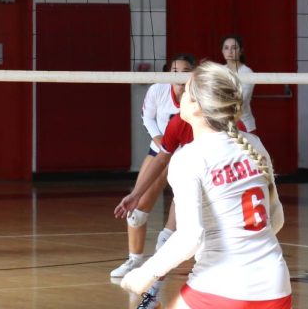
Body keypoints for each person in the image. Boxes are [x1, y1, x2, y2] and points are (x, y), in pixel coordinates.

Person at [120, 61, 290, 309]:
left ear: (198, 107)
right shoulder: (254, 143)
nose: (180, 94)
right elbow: (276, 219)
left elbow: (189, 237)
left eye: (187, 91)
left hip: (221, 285)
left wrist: (142, 275)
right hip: (275, 283)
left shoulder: (189, 158)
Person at [110, 54, 196, 281]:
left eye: (185, 70)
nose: (179, 75)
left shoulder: (197, 95)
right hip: (160, 150)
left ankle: (164, 256)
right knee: (136, 213)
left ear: (193, 72)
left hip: (188, 156)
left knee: (180, 219)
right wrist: (162, 143)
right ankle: (134, 261)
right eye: (174, 71)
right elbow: (148, 119)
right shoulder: (158, 89)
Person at [221, 35, 256, 132]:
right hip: (223, 125)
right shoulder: (220, 71)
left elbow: (240, 100)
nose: (230, 51)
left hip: (244, 125)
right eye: (226, 48)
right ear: (222, 51)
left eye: (234, 48)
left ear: (240, 51)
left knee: (246, 147)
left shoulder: (247, 72)